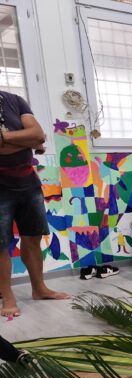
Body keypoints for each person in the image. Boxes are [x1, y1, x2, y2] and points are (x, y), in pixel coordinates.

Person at [0, 90, 68, 317]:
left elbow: (38, 134)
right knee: (0, 245)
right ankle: (8, 297)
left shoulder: (13, 100)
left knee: (33, 237)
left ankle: (39, 289)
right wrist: (27, 140)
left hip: (28, 182)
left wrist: (5, 137)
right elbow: (35, 139)